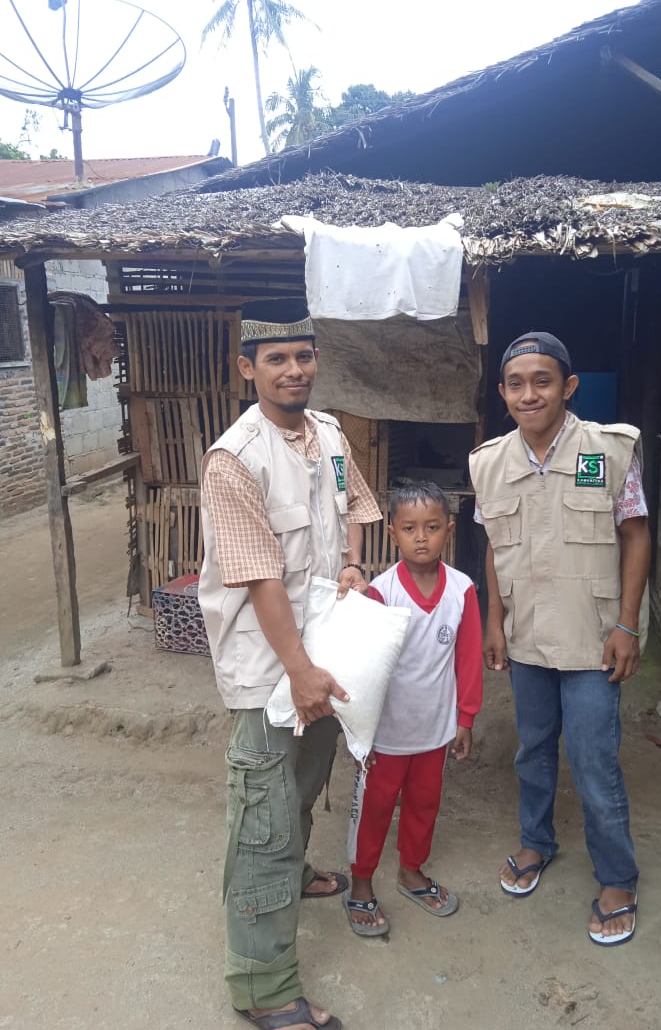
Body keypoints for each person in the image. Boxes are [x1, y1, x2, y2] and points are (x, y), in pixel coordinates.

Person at [198, 315, 381, 1030]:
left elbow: (354, 504)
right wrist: (300, 671)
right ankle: (263, 986)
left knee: (305, 778)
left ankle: (296, 873)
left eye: (303, 356)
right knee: (263, 816)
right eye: (276, 358)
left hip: (322, 649)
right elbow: (259, 577)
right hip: (267, 665)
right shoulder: (235, 459)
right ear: (249, 368)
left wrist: (354, 563)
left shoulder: (330, 436)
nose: (293, 370)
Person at [468, 331, 651, 948]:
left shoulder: (609, 450)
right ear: (502, 393)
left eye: (542, 381)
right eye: (516, 384)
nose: (529, 394)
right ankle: (535, 842)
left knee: (595, 761)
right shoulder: (489, 462)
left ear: (568, 387)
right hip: (527, 636)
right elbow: (494, 546)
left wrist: (628, 624)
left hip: (593, 636)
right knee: (533, 750)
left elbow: (636, 536)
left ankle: (618, 879)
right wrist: (494, 620)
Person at [344, 481, 483, 936]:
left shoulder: (462, 590)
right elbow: (366, 668)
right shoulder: (381, 593)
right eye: (409, 528)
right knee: (375, 806)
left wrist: (465, 718)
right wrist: (361, 732)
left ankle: (411, 871)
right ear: (392, 533)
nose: (421, 537)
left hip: (434, 729)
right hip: (386, 733)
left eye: (432, 527)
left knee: (425, 804)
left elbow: (468, 659)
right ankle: (361, 882)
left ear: (450, 530)